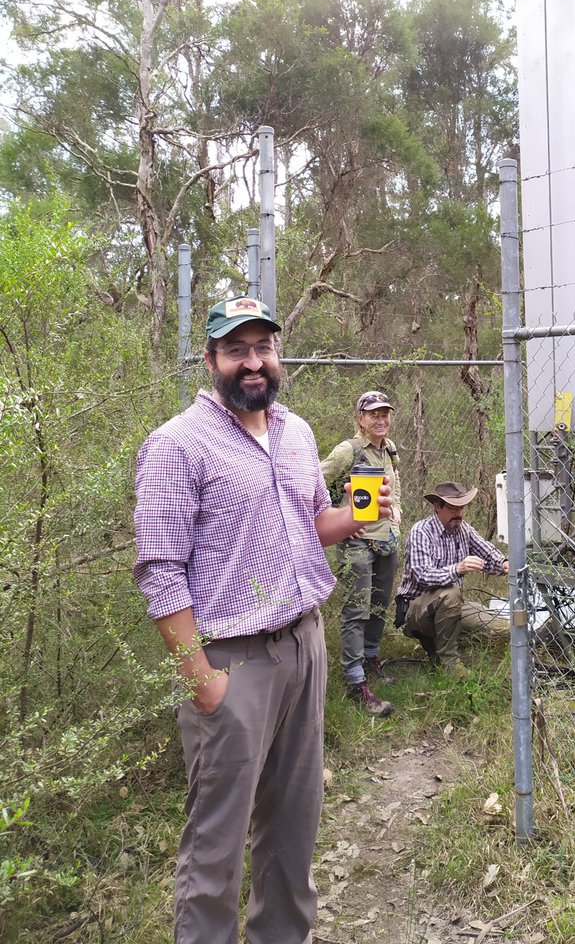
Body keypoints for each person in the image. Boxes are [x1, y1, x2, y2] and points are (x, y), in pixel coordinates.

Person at [133, 296, 391, 944]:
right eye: (237, 349)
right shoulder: (176, 446)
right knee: (215, 851)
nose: (254, 362)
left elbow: (310, 526)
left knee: (294, 831)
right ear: (212, 358)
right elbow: (160, 572)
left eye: (263, 347)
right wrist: (202, 680)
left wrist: (356, 517)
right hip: (232, 661)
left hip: (304, 646)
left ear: (278, 355)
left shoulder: (297, 433)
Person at [320, 390, 402, 717]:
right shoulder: (348, 450)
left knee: (379, 607)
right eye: (373, 414)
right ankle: (355, 683)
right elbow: (314, 485)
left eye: (385, 413)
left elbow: (394, 490)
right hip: (357, 545)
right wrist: (341, 520)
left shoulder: (390, 449)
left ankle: (370, 662)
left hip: (386, 541)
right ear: (360, 419)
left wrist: (397, 513)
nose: (380, 419)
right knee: (357, 610)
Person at [395, 482, 509, 675]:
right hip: (417, 609)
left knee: (498, 626)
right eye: (453, 507)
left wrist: (504, 563)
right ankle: (448, 663)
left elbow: (487, 553)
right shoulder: (421, 531)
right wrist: (458, 568)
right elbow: (422, 575)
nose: (459, 513)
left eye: (462, 507)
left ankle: (457, 650)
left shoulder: (463, 529)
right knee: (451, 593)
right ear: (437, 507)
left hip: (450, 605)